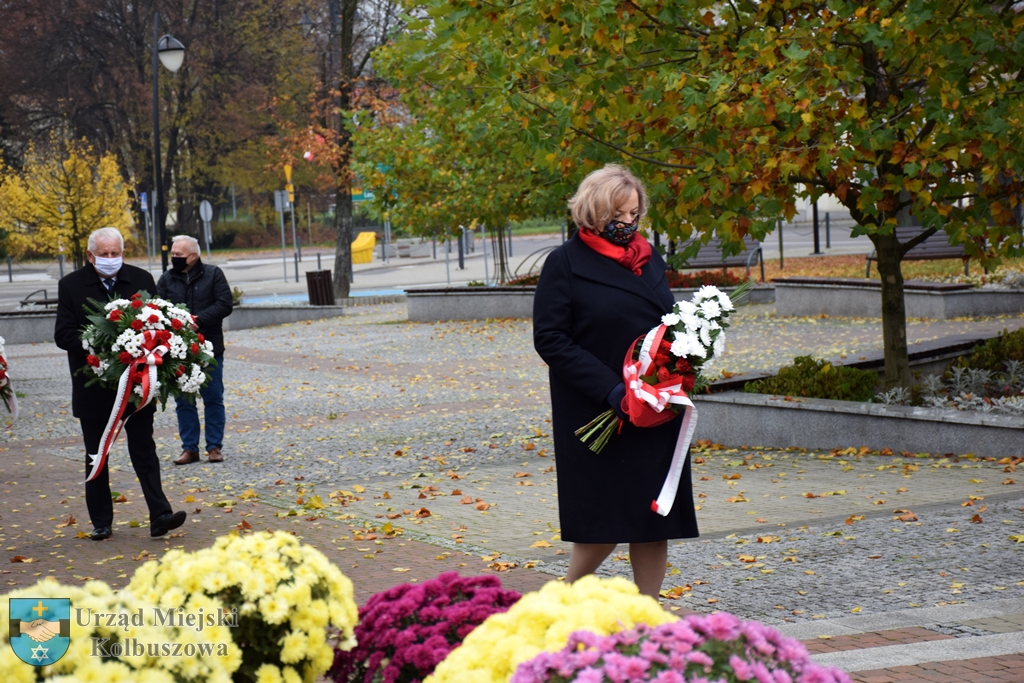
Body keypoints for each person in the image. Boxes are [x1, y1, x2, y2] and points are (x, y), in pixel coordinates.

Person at [533, 164, 699, 598]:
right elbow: (550, 338)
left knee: (651, 522)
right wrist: (611, 389)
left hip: (652, 407)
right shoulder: (564, 264)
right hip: (599, 409)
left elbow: (665, 320)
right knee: (601, 526)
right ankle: (561, 600)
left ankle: (649, 615)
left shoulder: (647, 258)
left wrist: (687, 350)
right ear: (594, 211)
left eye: (634, 215)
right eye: (619, 215)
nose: (628, 224)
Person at [54, 227, 187, 540]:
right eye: (104, 254)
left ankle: (160, 515)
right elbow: (63, 334)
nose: (111, 259)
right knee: (96, 455)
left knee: (144, 450)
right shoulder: (71, 285)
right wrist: (103, 344)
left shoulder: (141, 280)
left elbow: (157, 322)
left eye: (116, 253)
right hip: (93, 388)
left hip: (136, 387)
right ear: (90, 256)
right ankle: (101, 521)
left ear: (123, 253)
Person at [157, 235, 233, 465]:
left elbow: (224, 304)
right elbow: (157, 308)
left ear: (193, 256)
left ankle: (214, 447)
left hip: (209, 346)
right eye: (172, 254)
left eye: (178, 255)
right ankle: (189, 448)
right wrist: (175, 324)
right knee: (183, 400)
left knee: (213, 397)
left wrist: (198, 320)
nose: (174, 258)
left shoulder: (213, 274)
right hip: (179, 350)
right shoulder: (166, 279)